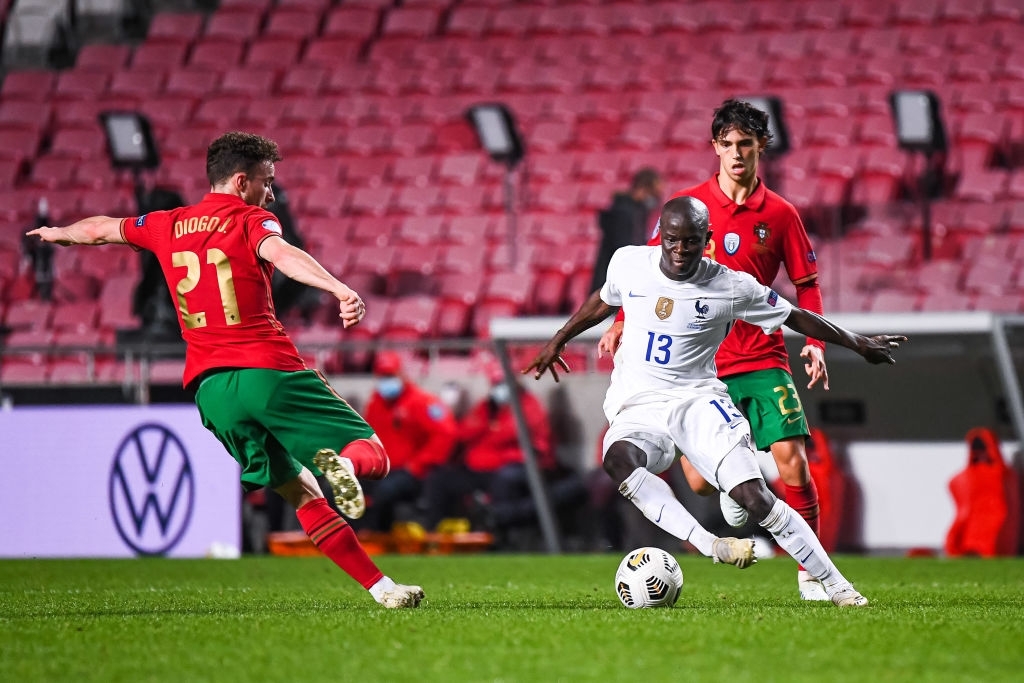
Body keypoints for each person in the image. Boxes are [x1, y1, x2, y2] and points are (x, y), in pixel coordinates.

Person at [27, 131, 423, 608]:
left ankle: (382, 590)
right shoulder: (254, 220)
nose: (271, 193)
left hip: (211, 390)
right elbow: (284, 255)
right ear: (241, 182)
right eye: (266, 182)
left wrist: (57, 234)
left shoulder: (166, 223)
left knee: (300, 492)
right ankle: (344, 465)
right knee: (374, 455)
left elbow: (98, 229)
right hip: (266, 369)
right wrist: (338, 289)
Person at [526, 196, 907, 607]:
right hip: (639, 404)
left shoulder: (731, 285)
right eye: (671, 240)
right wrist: (557, 341)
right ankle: (711, 545)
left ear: (706, 240)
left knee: (756, 499)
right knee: (618, 460)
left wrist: (858, 343)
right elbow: (604, 299)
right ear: (661, 236)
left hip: (698, 401)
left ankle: (836, 585)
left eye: (690, 241)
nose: (679, 250)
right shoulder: (629, 262)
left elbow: (796, 316)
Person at [599, 99, 833, 600]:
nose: (735, 155)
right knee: (702, 484)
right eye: (726, 145)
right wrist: (620, 321)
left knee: (793, 460)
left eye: (744, 145)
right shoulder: (688, 208)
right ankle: (736, 492)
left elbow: (806, 285)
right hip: (698, 370)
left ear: (760, 148)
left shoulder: (782, 214)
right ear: (715, 148)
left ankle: (810, 573)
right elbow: (645, 277)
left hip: (764, 357)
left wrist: (816, 343)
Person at [360, 350, 459, 532]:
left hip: (412, 471)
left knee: (386, 491)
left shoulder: (422, 401)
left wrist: (418, 464)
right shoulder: (375, 404)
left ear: (401, 374)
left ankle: (378, 536)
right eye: (382, 376)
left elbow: (446, 434)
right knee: (340, 487)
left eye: (390, 375)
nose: (386, 381)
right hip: (382, 469)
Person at [589, 167, 664, 292]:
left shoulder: (638, 212)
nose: (656, 200)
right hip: (612, 285)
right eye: (654, 194)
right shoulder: (624, 213)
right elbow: (623, 250)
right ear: (643, 188)